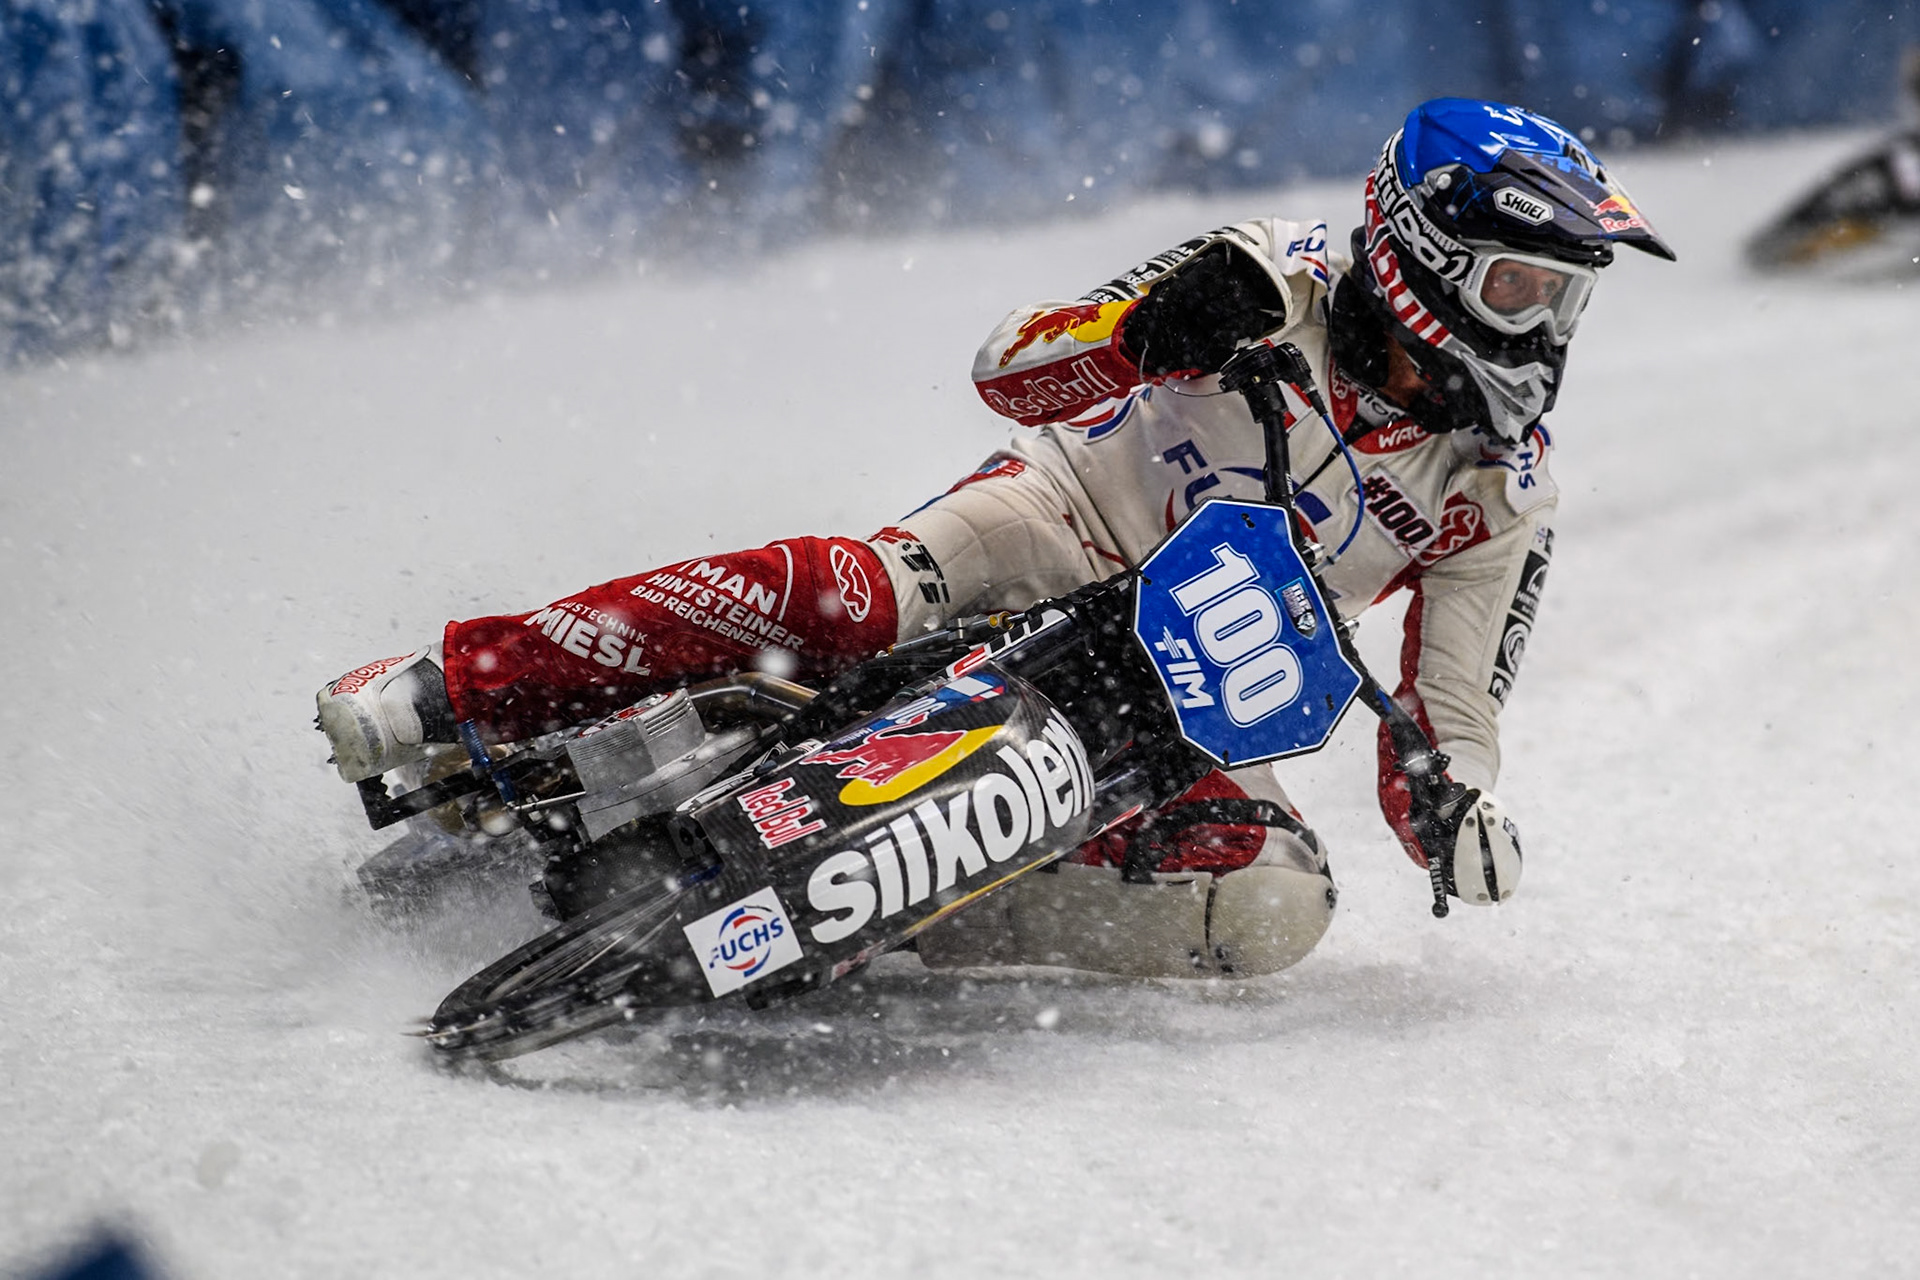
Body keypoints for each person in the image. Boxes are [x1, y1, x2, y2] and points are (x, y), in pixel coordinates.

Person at [317, 98, 1673, 977]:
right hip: (1047, 527)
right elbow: (1008, 368)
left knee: (1276, 907)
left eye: (1564, 300)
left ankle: (906, 921)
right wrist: (1142, 332)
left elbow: (1447, 714)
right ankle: (460, 683)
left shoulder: (1498, 488)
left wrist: (1452, 807)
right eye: (1520, 286)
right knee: (851, 594)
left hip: (1179, 696)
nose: (1544, 329)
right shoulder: (1269, 273)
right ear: (1424, 255)